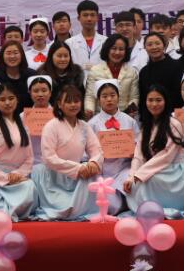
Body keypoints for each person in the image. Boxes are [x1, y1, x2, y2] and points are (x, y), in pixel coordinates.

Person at [124, 85, 184, 219]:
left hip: (176, 171)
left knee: (149, 180)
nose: (154, 104)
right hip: (156, 169)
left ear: (166, 101)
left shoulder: (175, 124)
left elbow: (166, 156)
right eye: (150, 100)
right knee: (135, 183)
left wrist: (140, 174)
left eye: (158, 100)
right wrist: (131, 176)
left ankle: (160, 207)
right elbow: (138, 155)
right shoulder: (146, 126)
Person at [35, 83, 102, 221]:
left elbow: (96, 150)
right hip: (53, 178)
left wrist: (94, 162)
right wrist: (77, 168)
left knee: (93, 179)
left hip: (79, 176)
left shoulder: (84, 126)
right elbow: (49, 158)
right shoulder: (51, 126)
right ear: (60, 104)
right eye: (68, 101)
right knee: (65, 209)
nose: (73, 105)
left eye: (76, 101)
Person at [0, 83, 36, 221]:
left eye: (11, 98)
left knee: (29, 187)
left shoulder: (24, 127)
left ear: (17, 99)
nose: (7, 103)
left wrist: (17, 174)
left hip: (17, 179)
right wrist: (5, 178)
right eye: (2, 99)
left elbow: (29, 159)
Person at [87, 79, 138, 215]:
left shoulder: (130, 121)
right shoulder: (92, 124)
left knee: (134, 184)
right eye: (104, 96)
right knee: (111, 207)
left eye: (112, 95)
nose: (109, 99)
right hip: (102, 172)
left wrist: (133, 150)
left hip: (124, 169)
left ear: (118, 96)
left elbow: (138, 146)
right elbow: (87, 152)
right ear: (98, 99)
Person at [84, 34, 138, 117]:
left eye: (121, 49)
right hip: (100, 117)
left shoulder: (132, 72)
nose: (117, 52)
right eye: (114, 48)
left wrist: (130, 111)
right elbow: (90, 96)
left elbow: (134, 97)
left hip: (124, 116)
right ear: (107, 49)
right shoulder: (95, 71)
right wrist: (89, 110)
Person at [138, 31, 182, 109]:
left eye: (157, 43)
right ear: (145, 48)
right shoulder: (144, 72)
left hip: (172, 112)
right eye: (150, 44)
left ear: (164, 45)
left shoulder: (177, 66)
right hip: (150, 113)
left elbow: (179, 95)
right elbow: (143, 98)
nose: (154, 47)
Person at [0, 40, 36, 111]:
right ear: (2, 56)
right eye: (8, 53)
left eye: (16, 53)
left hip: (29, 115)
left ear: (22, 55)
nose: (12, 56)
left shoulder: (32, 75)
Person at [68, 0, 106, 68]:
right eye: (85, 15)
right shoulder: (69, 43)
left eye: (92, 15)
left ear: (97, 18)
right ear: (79, 18)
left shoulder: (106, 41)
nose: (89, 19)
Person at [26, 76, 55, 167]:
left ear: (50, 92)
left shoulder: (59, 116)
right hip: (31, 164)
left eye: (44, 90)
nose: (40, 94)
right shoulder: (22, 117)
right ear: (29, 92)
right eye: (35, 91)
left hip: (56, 163)